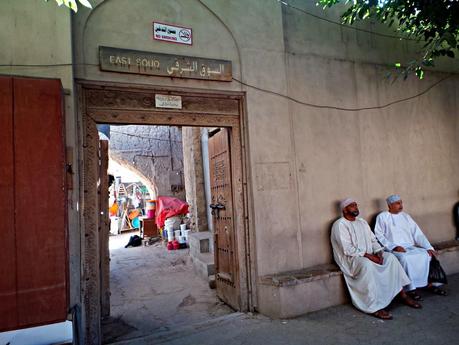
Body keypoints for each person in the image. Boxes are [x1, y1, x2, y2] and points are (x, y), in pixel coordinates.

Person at [331, 198, 420, 320]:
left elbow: (373, 240)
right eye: (352, 206)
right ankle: (373, 306)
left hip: (369, 255)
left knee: (391, 258)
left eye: (356, 205)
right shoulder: (340, 224)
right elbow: (348, 249)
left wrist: (379, 252)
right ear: (344, 209)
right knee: (367, 265)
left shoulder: (362, 222)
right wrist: (369, 256)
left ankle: (402, 294)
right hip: (351, 259)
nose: (356, 208)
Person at [375, 194, 447, 299]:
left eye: (401, 202)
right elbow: (379, 235)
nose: (401, 205)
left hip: (410, 247)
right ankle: (410, 289)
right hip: (394, 249)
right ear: (390, 205)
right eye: (397, 203)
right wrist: (393, 247)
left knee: (427, 255)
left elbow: (417, 234)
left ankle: (428, 284)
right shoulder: (382, 217)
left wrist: (429, 247)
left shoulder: (406, 216)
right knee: (405, 258)